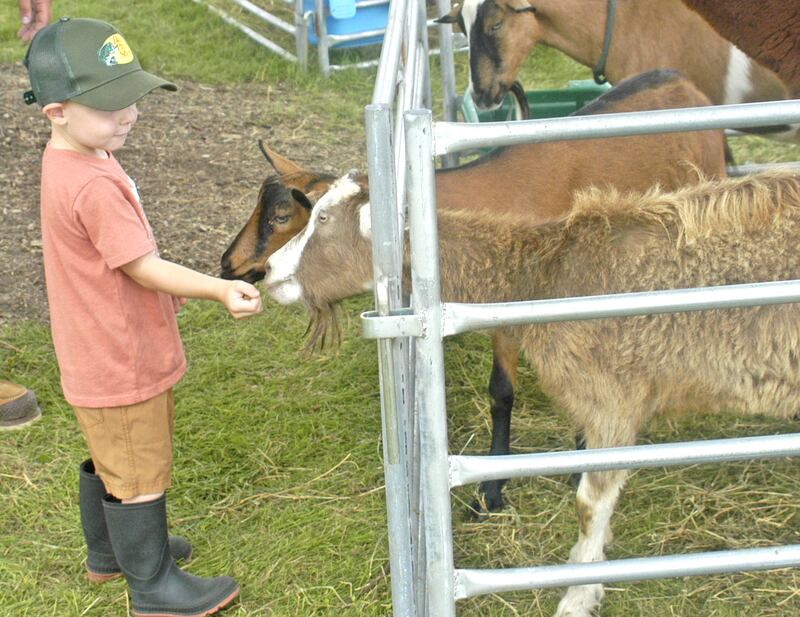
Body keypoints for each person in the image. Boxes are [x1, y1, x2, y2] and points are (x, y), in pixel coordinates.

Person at [23, 17, 262, 616]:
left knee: (114, 456)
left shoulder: (74, 158)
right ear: (56, 111)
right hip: (120, 354)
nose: (127, 113)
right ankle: (152, 586)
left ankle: (113, 553)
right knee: (140, 469)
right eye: (109, 105)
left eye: (131, 97)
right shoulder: (92, 185)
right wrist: (218, 289)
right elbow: (143, 267)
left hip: (92, 348)